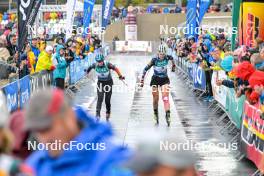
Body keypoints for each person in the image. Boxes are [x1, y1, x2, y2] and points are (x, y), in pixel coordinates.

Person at [23, 88, 131, 176]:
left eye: (47, 128)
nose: (44, 139)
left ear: (70, 117)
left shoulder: (112, 159)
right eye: (38, 130)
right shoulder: (36, 163)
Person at [140, 44, 176, 127]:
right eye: (161, 54)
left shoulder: (168, 57)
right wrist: (142, 80)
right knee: (156, 99)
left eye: (163, 54)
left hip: (164, 79)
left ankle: (168, 115)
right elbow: (145, 69)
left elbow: (172, 59)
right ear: (158, 53)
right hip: (155, 80)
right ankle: (155, 113)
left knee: (165, 97)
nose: (162, 56)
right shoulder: (154, 60)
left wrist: (173, 66)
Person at [85, 54, 125, 121]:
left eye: (100, 61)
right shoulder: (95, 65)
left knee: (107, 99)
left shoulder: (107, 64)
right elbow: (89, 67)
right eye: (98, 61)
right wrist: (87, 72)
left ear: (103, 60)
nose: (99, 63)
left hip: (108, 83)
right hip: (100, 83)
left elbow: (116, 69)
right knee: (100, 98)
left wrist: (120, 76)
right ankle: (97, 114)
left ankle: (108, 111)